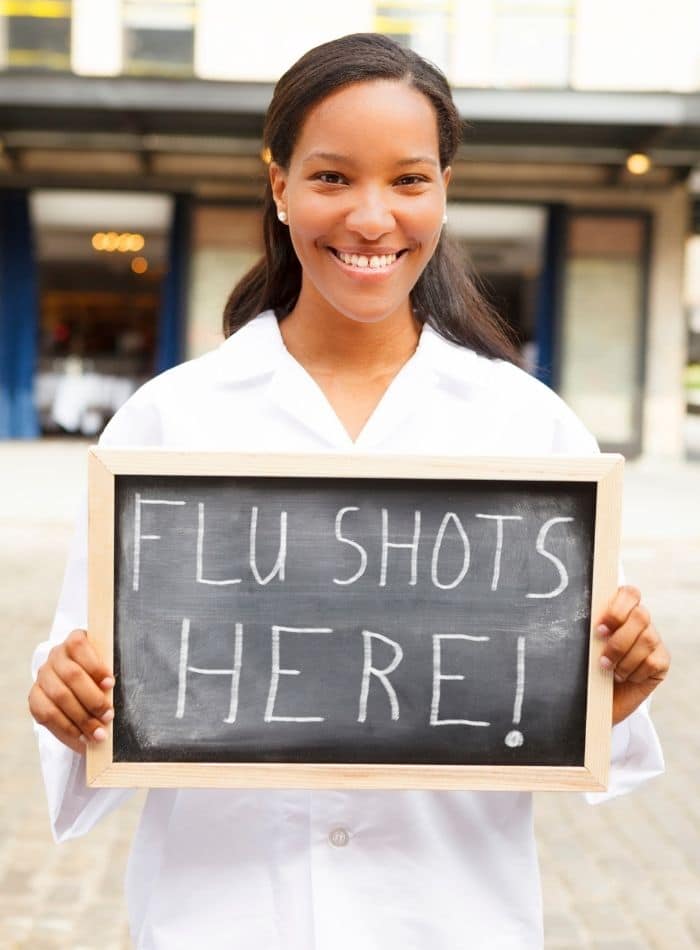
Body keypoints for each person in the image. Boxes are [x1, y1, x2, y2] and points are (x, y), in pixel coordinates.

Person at [29, 33, 669, 950]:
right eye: (332, 177)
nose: (373, 218)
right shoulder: (166, 424)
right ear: (279, 185)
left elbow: (567, 732)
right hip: (219, 918)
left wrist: (615, 693)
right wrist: (68, 695)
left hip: (451, 919)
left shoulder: (531, 433)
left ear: (444, 189)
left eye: (409, 180)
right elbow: (92, 693)